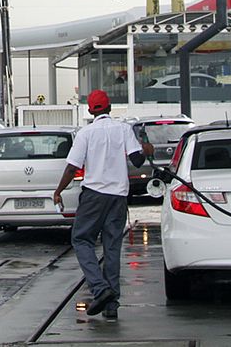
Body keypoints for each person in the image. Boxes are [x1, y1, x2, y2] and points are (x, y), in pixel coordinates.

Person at [53, 90, 154, 321]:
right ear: (109, 108)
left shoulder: (86, 133)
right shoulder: (123, 129)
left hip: (94, 196)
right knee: (112, 247)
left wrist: (58, 191)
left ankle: (100, 289)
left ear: (90, 110)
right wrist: (147, 149)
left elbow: (72, 168)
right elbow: (138, 160)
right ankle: (112, 305)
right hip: (118, 197)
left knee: (80, 239)